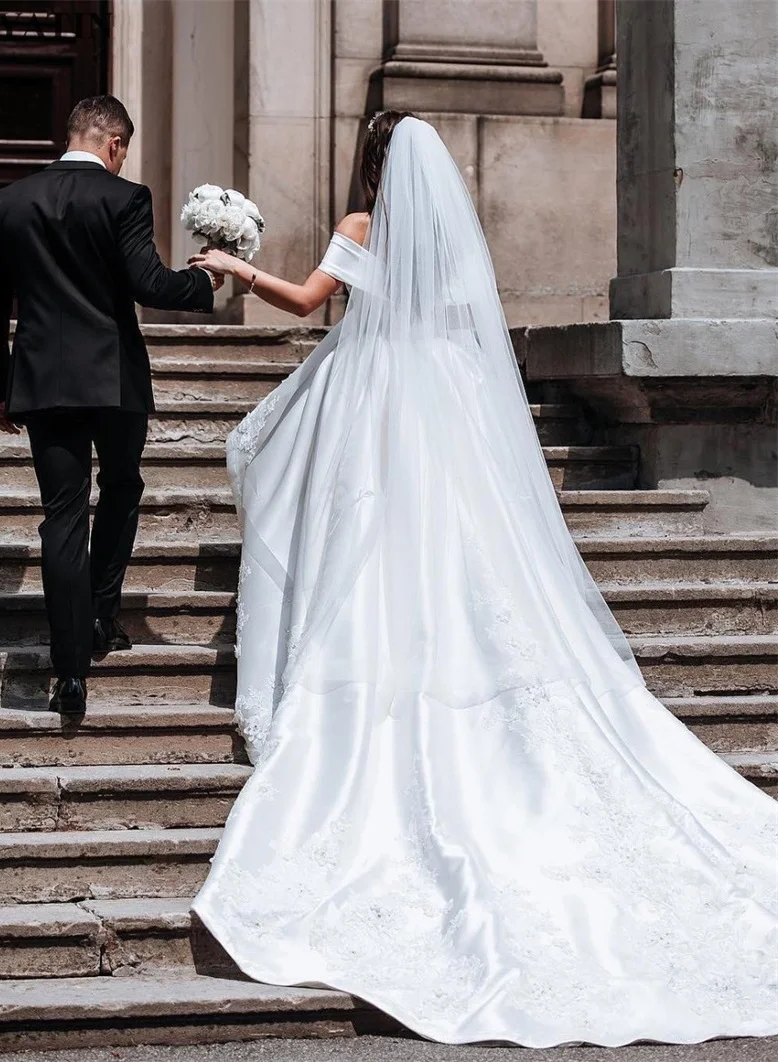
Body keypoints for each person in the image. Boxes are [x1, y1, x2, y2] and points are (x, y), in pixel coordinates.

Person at [188, 113, 777, 1046]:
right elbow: (471, 334)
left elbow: (304, 305)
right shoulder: (455, 248)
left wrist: (235, 269)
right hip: (444, 402)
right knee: (456, 546)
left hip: (374, 396)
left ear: (373, 166)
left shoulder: (360, 228)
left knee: (357, 535)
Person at [0, 94, 219, 715]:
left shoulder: (8, 203)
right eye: (123, 151)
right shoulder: (125, 198)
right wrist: (208, 279)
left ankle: (69, 672)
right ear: (113, 144)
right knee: (121, 488)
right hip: (114, 381)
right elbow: (150, 284)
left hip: (45, 382)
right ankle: (102, 616)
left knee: (61, 516)